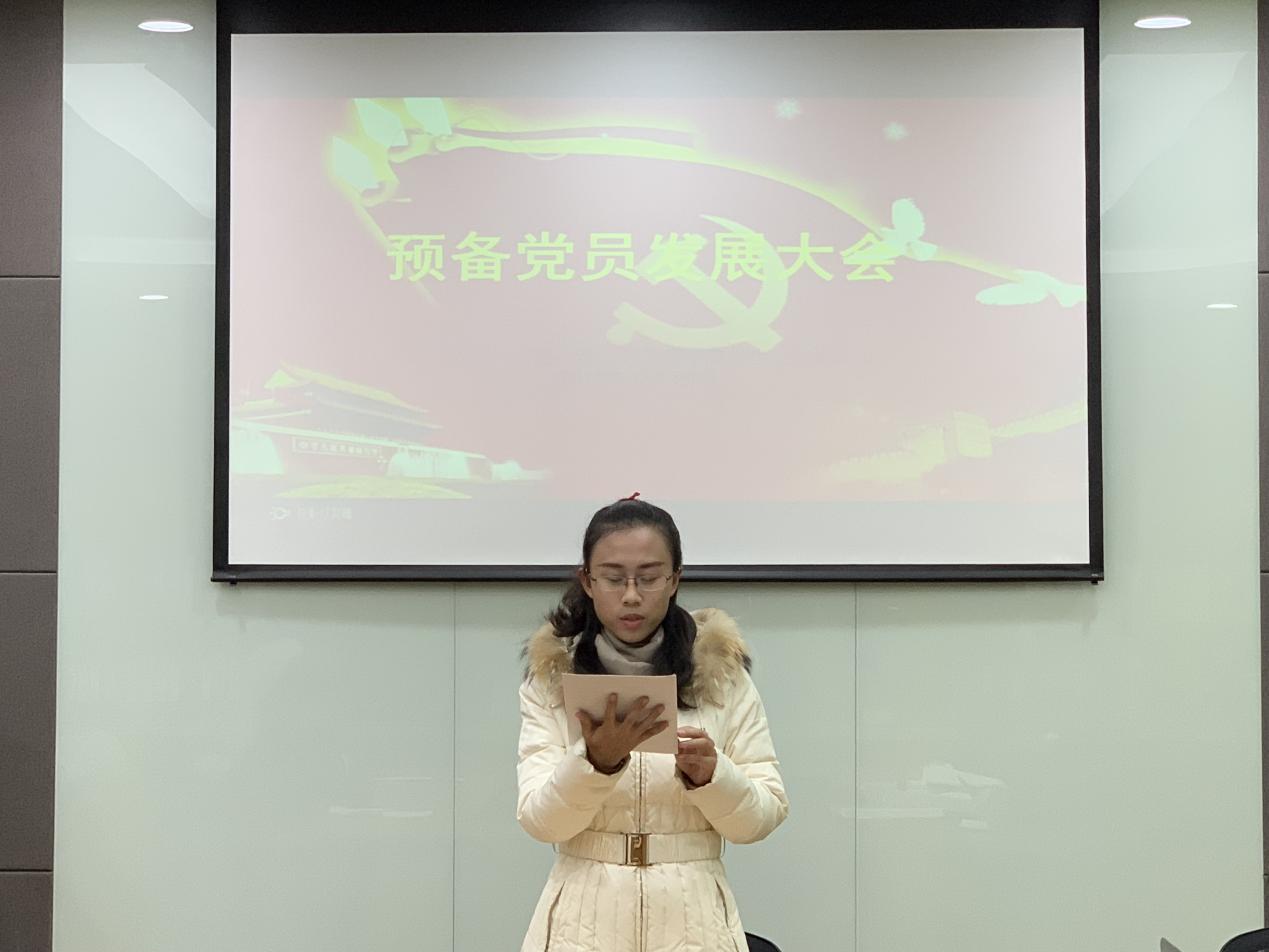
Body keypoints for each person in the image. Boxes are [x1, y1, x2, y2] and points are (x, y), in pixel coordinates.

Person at [517, 497, 788, 952]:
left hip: (693, 916)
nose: (631, 595)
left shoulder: (721, 674)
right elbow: (540, 822)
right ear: (587, 581)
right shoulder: (552, 678)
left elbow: (761, 818)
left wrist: (712, 776)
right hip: (581, 919)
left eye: (648, 577)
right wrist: (596, 764)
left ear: (675, 579)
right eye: (612, 577)